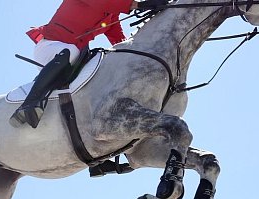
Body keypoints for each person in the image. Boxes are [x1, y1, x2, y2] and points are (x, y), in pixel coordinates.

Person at [11, 0, 163, 128]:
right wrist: (141, 4)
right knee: (71, 50)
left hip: (77, 53)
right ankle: (29, 105)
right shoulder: (107, 4)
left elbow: (118, 40)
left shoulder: (112, 15)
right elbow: (104, 3)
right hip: (51, 46)